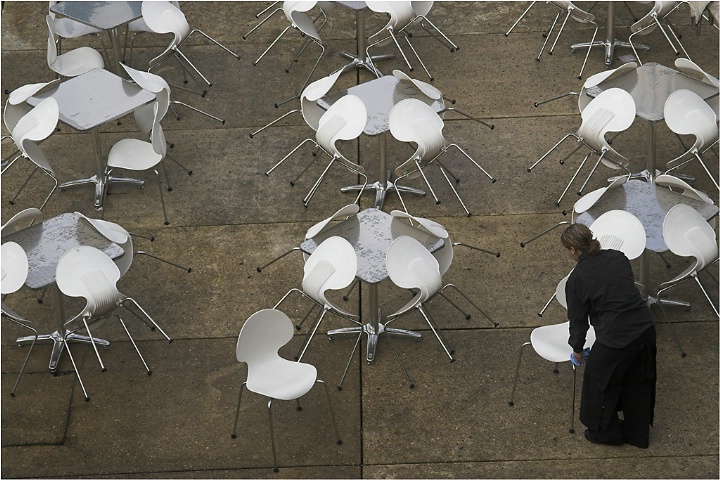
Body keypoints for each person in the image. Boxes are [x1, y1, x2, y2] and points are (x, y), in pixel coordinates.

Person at [560, 223, 657, 448]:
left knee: (598, 385)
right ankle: (637, 435)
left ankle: (606, 434)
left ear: (573, 249)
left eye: (566, 249)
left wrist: (577, 348)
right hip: (644, 328)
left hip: (616, 339)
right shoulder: (617, 257)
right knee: (638, 382)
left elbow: (578, 321)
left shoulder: (577, 279)